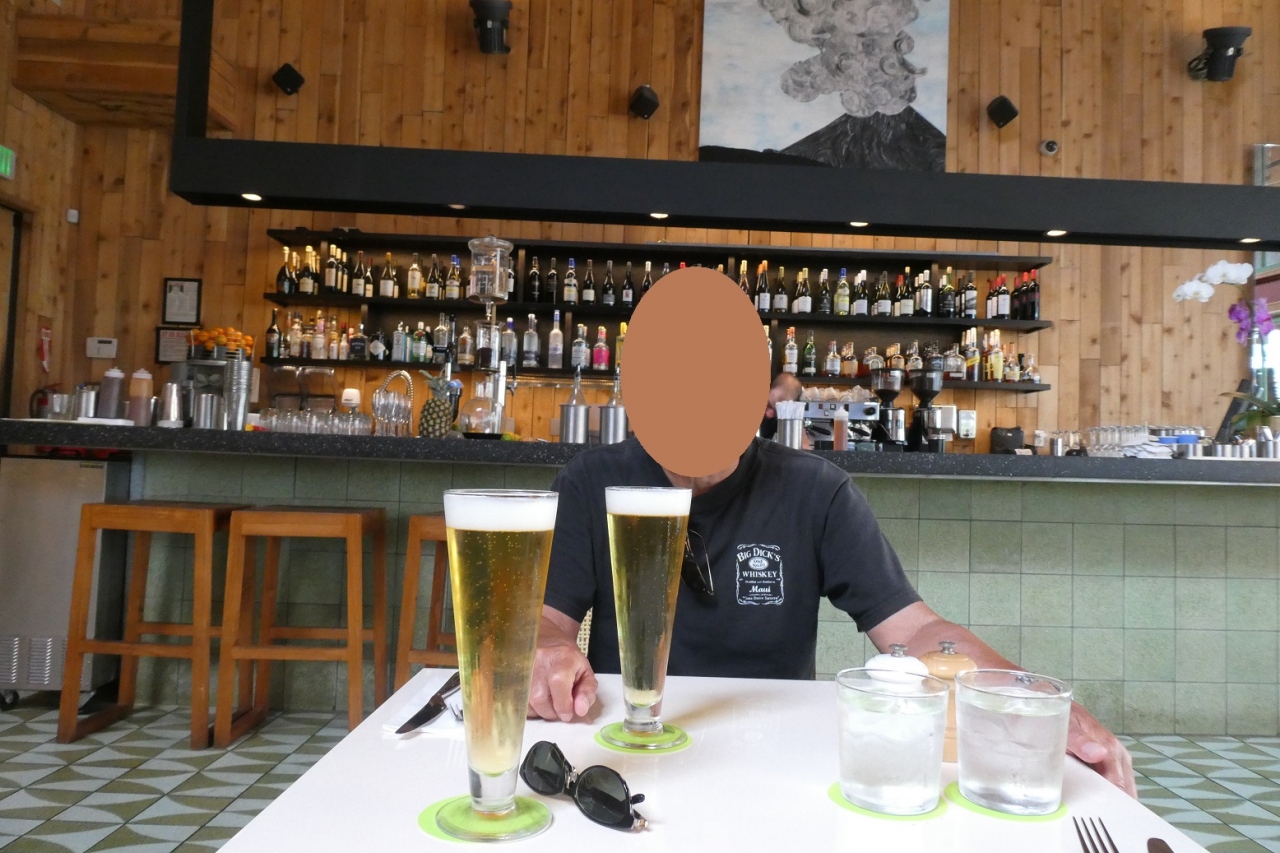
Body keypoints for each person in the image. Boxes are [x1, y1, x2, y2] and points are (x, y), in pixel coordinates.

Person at [528, 435, 1136, 797]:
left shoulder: (816, 490)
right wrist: (548, 651)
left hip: (780, 759)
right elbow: (549, 622)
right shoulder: (591, 481)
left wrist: (1024, 696)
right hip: (628, 752)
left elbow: (916, 631)